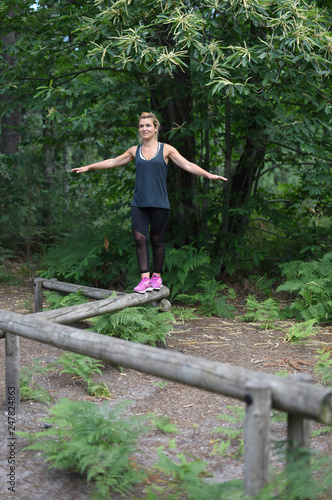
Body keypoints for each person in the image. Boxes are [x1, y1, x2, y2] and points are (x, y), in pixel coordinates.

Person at [71, 112, 227, 293]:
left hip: (160, 203)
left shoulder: (166, 149)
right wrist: (90, 166)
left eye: (147, 125)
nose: (144, 129)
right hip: (139, 202)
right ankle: (144, 278)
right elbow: (114, 161)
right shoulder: (134, 151)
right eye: (141, 126)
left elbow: (188, 165)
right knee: (139, 238)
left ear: (156, 128)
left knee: (156, 239)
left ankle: (156, 277)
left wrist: (208, 174)